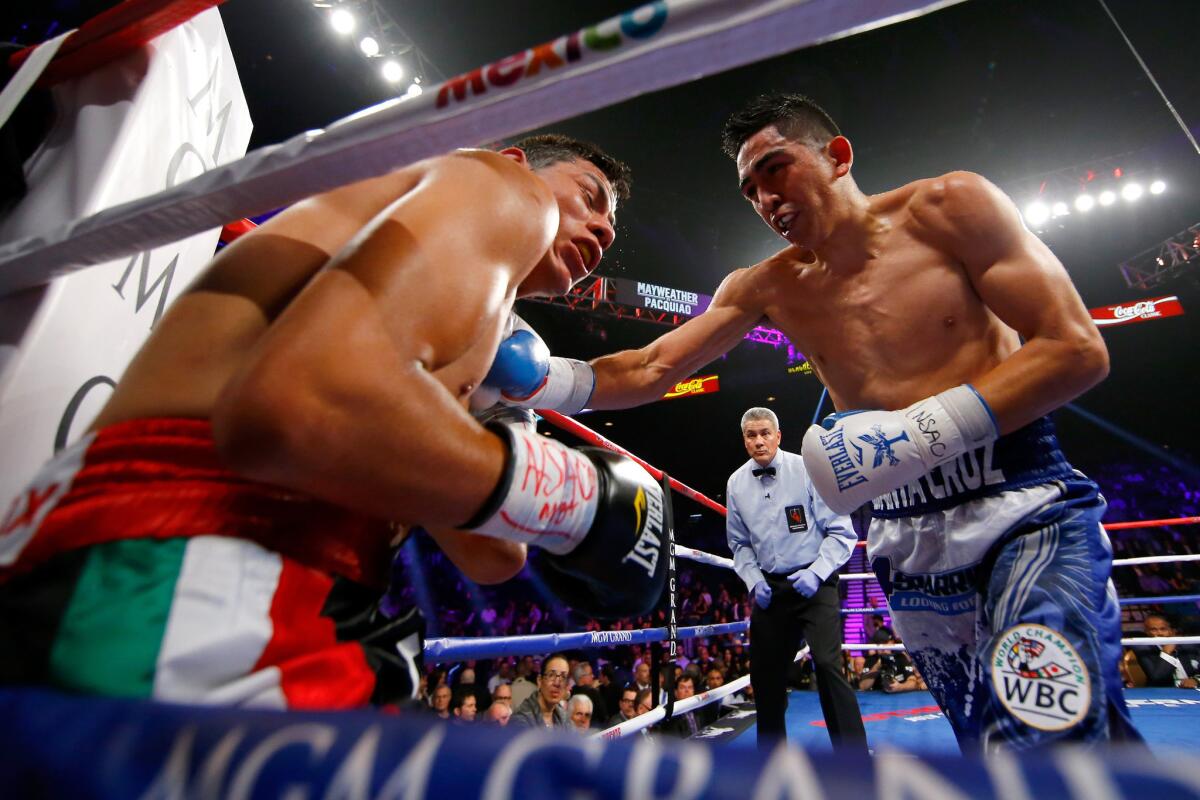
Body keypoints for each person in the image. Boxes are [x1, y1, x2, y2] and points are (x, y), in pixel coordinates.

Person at [494, 92, 1138, 751]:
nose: (765, 199)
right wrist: (528, 377)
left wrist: (915, 433)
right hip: (906, 537)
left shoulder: (949, 208)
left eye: (775, 169)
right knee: (1005, 737)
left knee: (1041, 738)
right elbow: (652, 366)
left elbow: (1076, 350)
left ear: (837, 156)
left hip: (1022, 505)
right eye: (750, 190)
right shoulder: (768, 287)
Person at [0, 135, 668, 709]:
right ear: (518, 160)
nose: (604, 232)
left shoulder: (469, 331)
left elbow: (493, 555)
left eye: (609, 228)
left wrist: (506, 458)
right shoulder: (499, 187)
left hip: (280, 573)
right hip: (188, 548)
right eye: (589, 196)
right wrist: (576, 499)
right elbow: (304, 403)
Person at [723, 407, 865, 751]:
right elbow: (738, 544)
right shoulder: (736, 483)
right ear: (744, 440)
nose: (759, 441)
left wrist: (816, 574)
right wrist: (754, 581)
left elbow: (842, 533)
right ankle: (772, 758)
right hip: (771, 586)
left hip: (815, 582)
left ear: (778, 436)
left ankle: (854, 761)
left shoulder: (807, 469)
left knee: (829, 666)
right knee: (764, 674)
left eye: (764, 433)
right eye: (751, 435)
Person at [1135, 615, 1200, 688]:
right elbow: (1158, 678)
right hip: (1162, 693)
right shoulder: (1143, 649)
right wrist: (1166, 651)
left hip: (1191, 691)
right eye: (1153, 629)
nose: (1159, 633)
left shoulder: (1188, 646)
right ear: (1146, 631)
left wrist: (1196, 680)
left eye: (1163, 629)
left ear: (1172, 631)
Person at [510, 653, 572, 729]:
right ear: (539, 681)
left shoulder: (564, 718)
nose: (557, 683)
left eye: (563, 677)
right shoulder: (520, 720)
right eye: (551, 675)